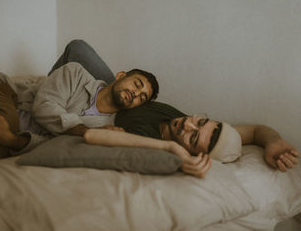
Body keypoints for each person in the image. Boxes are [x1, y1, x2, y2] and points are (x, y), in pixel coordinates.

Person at [42, 40, 299, 177]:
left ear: (192, 151)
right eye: (198, 122)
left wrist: (173, 149)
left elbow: (93, 135)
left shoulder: (155, 147)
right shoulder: (191, 122)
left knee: (50, 113)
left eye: (193, 136)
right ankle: (49, 90)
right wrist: (274, 141)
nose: (187, 124)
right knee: (77, 48)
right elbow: (255, 132)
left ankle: (48, 103)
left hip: (109, 113)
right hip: (125, 95)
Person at [0, 40, 159, 162]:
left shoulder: (107, 127)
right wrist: (85, 131)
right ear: (121, 76)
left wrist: (11, 141)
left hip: (17, 132)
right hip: (7, 98)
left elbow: (55, 146)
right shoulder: (76, 72)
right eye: (137, 84)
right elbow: (43, 109)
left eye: (141, 98)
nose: (136, 94)